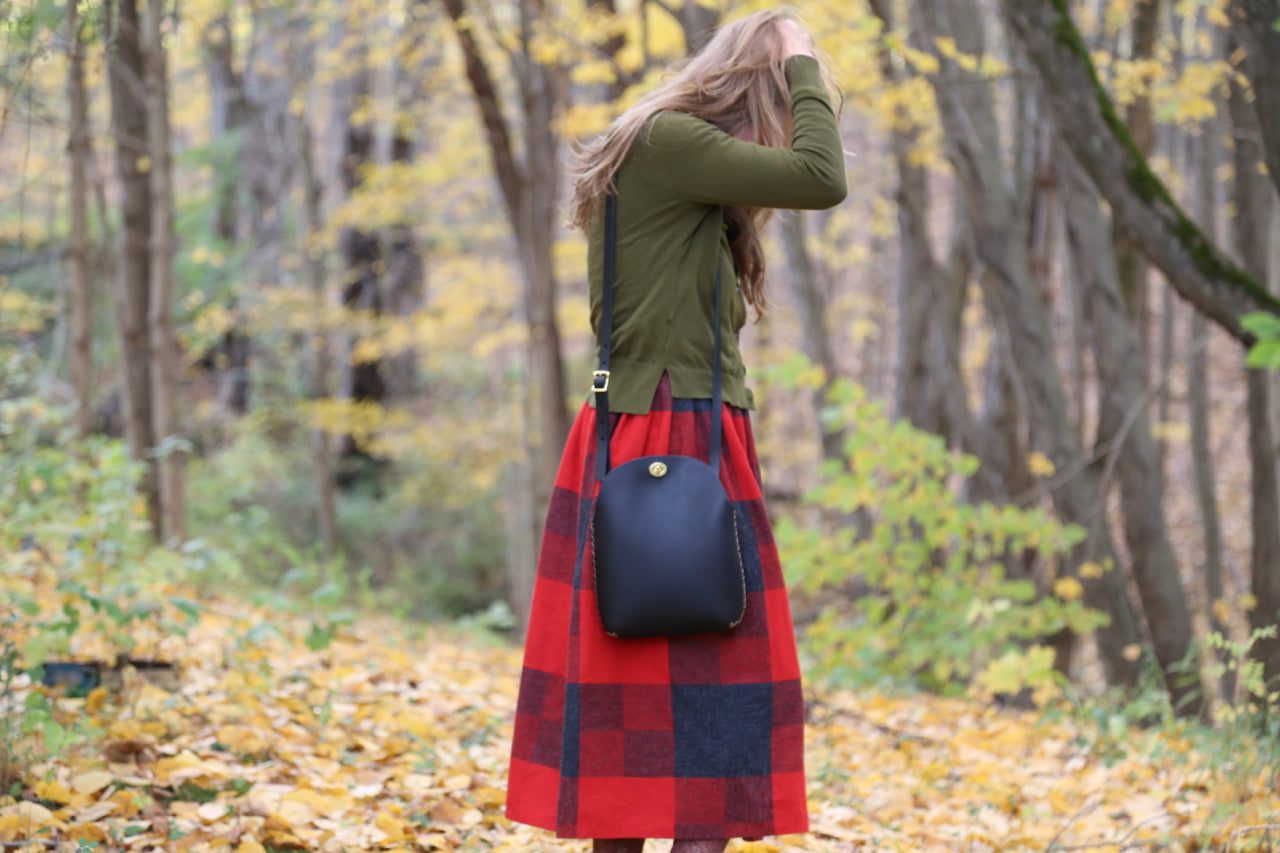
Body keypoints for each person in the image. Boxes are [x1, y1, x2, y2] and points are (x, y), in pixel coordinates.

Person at [506, 8, 846, 852]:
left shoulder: (676, 162)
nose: (785, 128)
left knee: (702, 719)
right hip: (669, 433)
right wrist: (802, 61)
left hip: (675, 429)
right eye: (784, 102)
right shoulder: (670, 141)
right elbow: (821, 175)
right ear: (757, 91)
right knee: (666, 715)